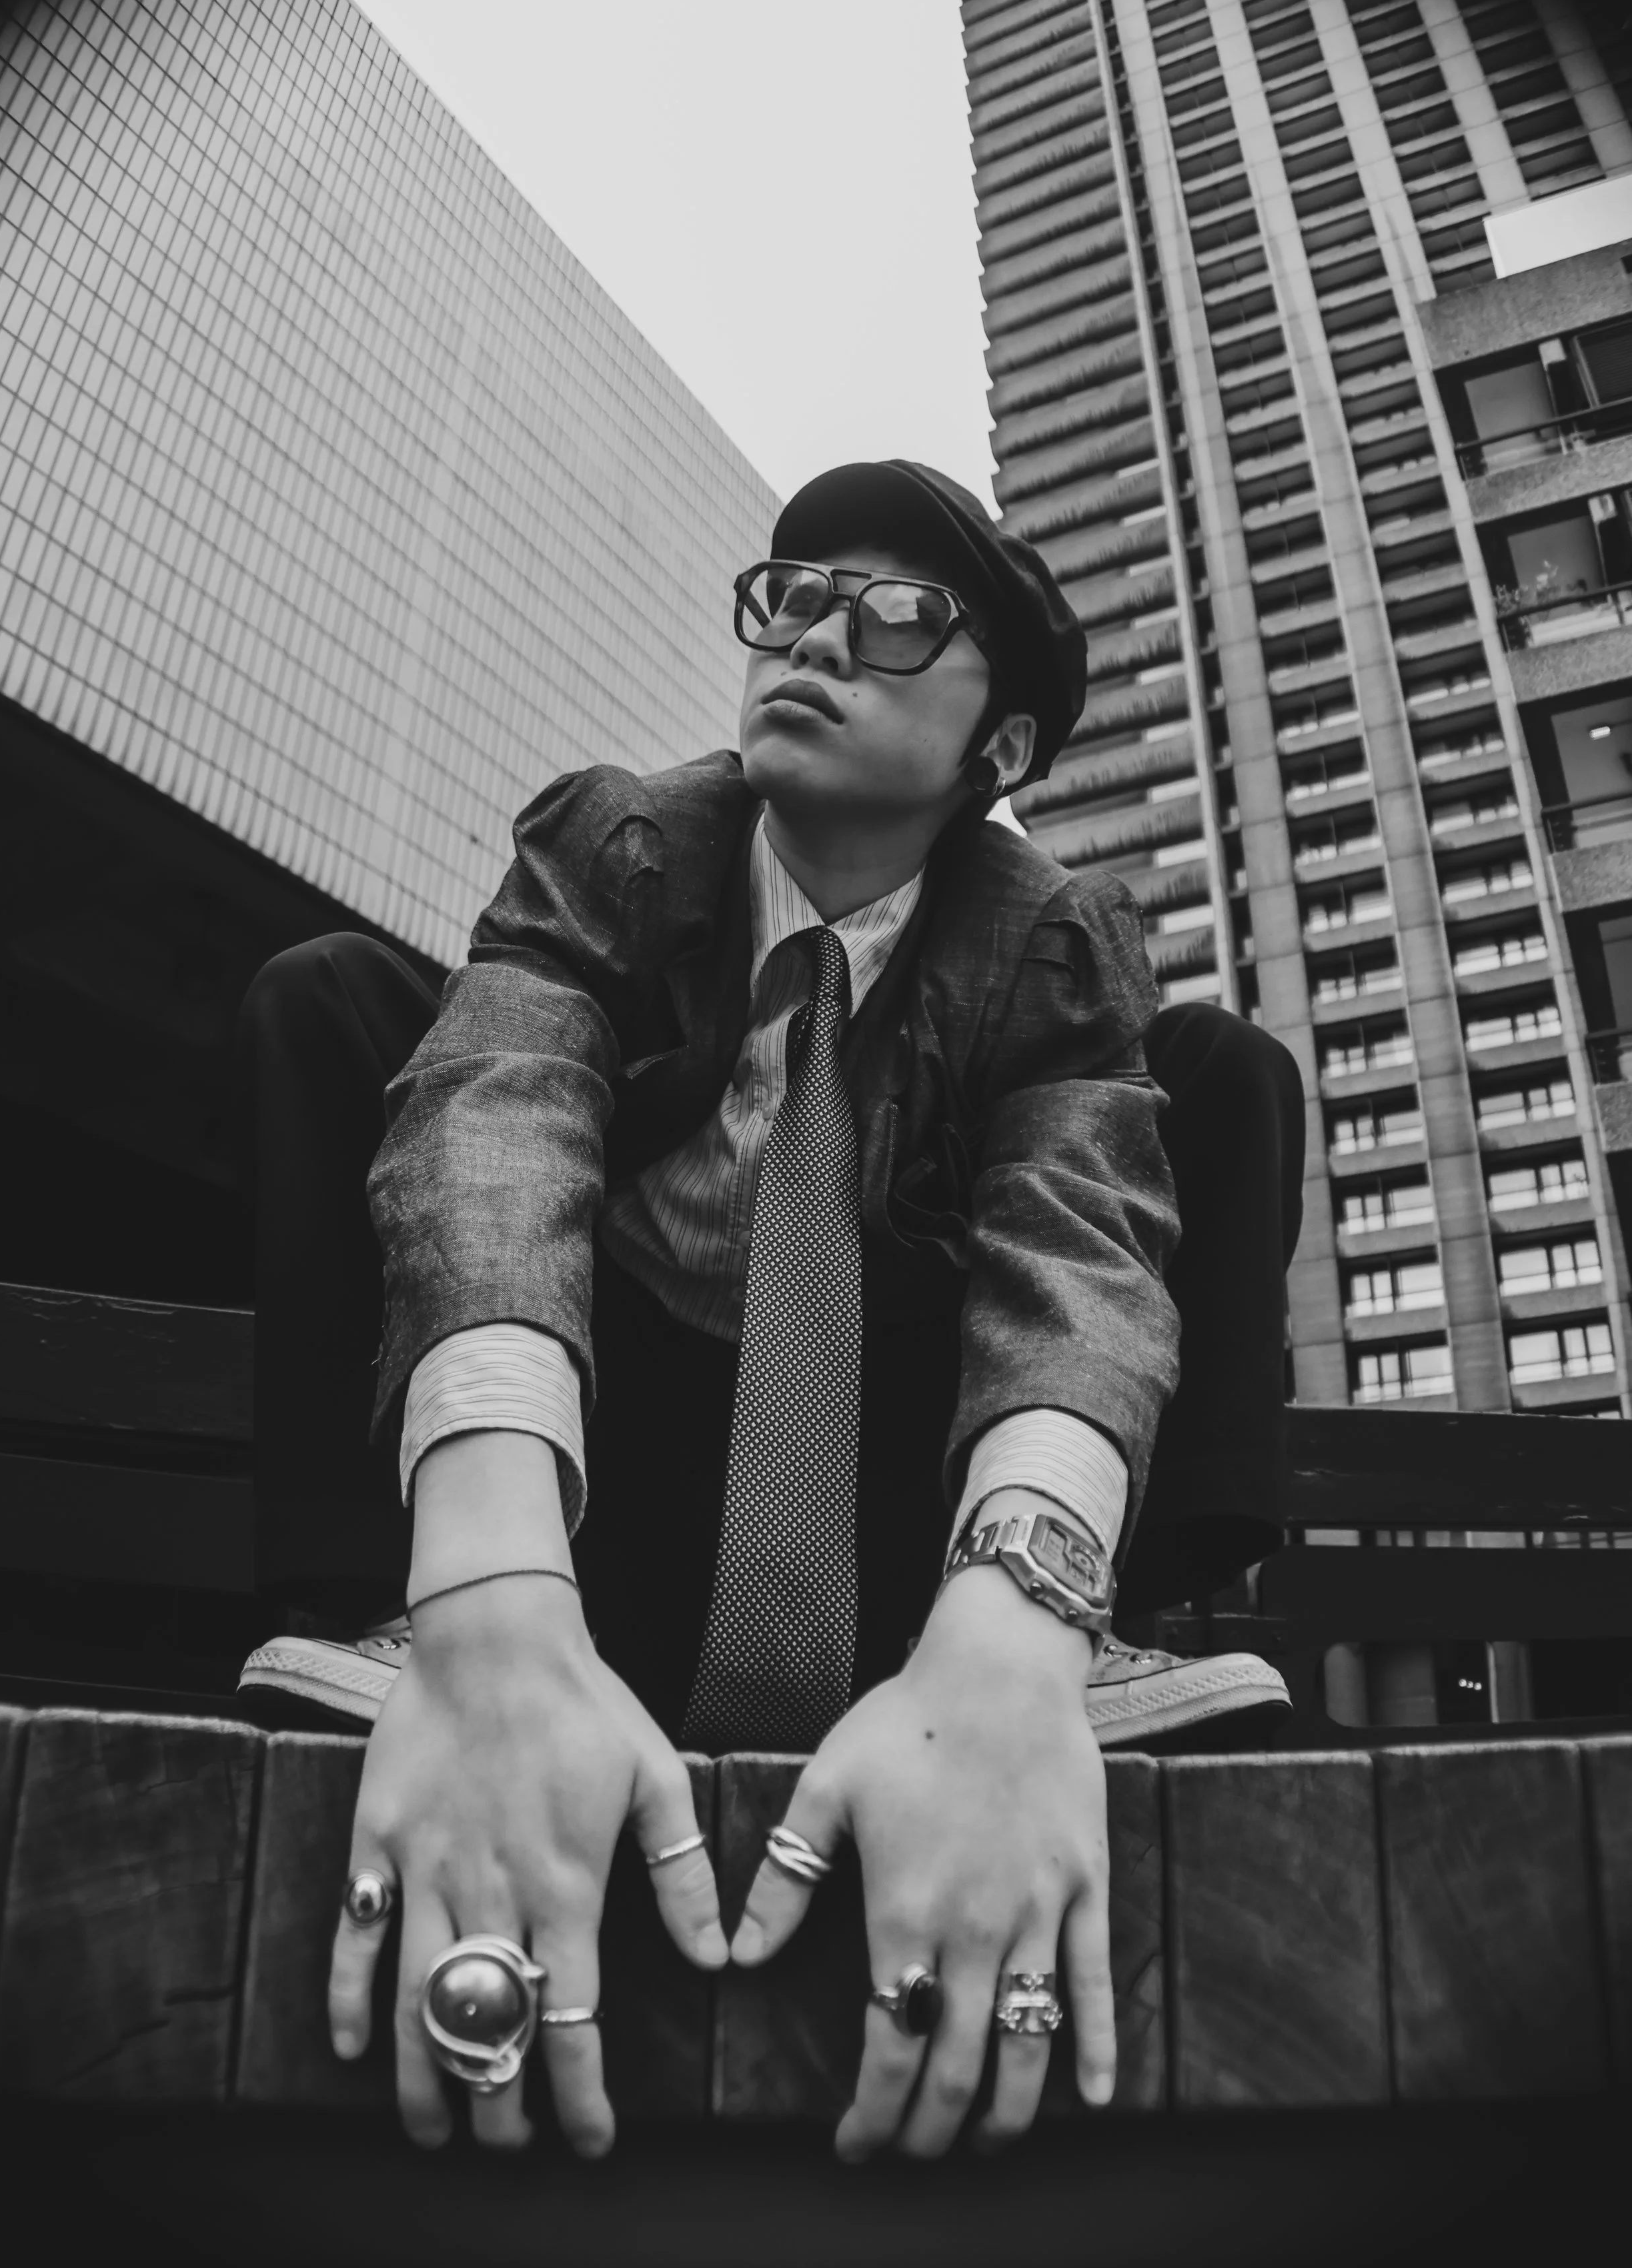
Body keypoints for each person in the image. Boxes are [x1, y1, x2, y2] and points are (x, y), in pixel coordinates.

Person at [235, 460, 1303, 2163]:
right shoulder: (623, 841)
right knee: (339, 1004)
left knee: (1220, 1076)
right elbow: (495, 1115)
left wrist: (1016, 1599)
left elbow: (1074, 1246)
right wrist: (491, 1582)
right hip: (610, 1432)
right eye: (793, 594)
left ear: (999, 753)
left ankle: (1081, 1645)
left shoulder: (1047, 940)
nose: (814, 632)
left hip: (895, 1458)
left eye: (895, 619)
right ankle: (384, 1621)